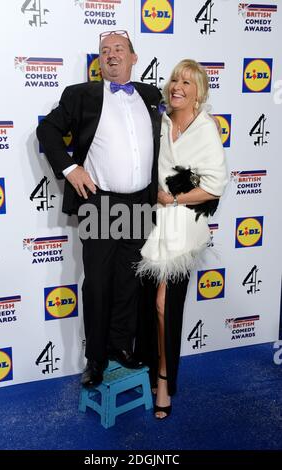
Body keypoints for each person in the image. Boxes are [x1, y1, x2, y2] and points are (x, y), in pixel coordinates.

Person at [37, 30, 162, 388]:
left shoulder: (151, 95)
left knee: (128, 281)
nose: (111, 55)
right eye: (105, 51)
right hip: (100, 203)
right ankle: (95, 359)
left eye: (119, 49)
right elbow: (47, 130)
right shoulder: (81, 95)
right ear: (99, 61)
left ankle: (121, 347)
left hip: (140, 202)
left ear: (133, 58)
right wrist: (70, 168)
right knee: (98, 284)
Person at [135, 59, 228, 419]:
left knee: (164, 305)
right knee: (149, 303)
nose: (178, 86)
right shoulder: (159, 121)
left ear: (198, 93)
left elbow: (214, 185)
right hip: (151, 221)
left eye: (187, 83)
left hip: (185, 224)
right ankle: (152, 366)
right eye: (175, 79)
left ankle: (163, 380)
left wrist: (174, 195)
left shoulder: (205, 128)